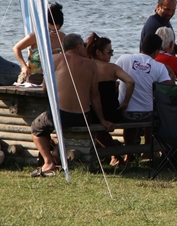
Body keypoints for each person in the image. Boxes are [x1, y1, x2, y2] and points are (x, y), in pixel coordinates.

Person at [29, 34, 114, 177]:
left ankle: (49, 161)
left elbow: (45, 89)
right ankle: (57, 151)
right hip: (83, 116)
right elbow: (94, 95)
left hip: (60, 115)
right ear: (78, 46)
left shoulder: (53, 60)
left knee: (36, 127)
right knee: (60, 124)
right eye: (83, 46)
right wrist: (102, 120)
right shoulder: (91, 64)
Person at [115, 33, 174, 158]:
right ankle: (148, 151)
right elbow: (168, 88)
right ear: (157, 51)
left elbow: (113, 79)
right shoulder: (159, 67)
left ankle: (128, 154)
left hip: (125, 113)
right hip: (147, 114)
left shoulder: (124, 59)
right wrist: (172, 75)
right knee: (154, 113)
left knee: (131, 124)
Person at [85, 32, 136, 166]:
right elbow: (130, 82)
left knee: (96, 127)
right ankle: (119, 155)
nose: (111, 55)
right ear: (98, 52)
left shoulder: (87, 65)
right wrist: (125, 102)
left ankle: (116, 155)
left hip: (94, 112)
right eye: (109, 52)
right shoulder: (112, 68)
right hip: (112, 112)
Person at [13, 2, 66, 84]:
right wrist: (24, 66)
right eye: (49, 30)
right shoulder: (36, 36)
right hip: (32, 76)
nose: (51, 33)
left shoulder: (62, 37)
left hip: (52, 78)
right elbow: (16, 48)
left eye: (55, 31)